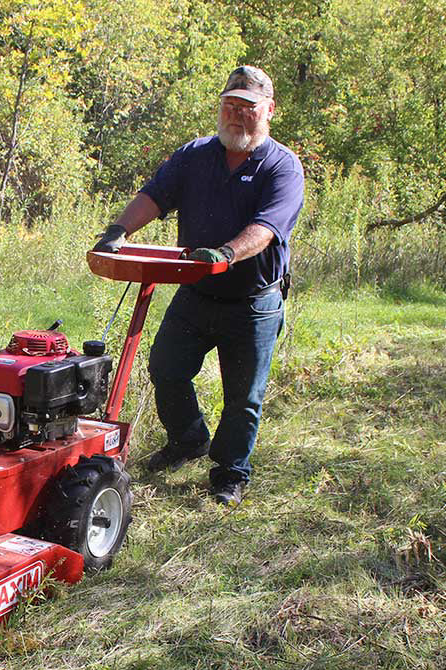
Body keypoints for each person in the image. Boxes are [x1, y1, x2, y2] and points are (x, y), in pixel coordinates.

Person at [93, 66, 304, 505]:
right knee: (166, 368)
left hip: (253, 302)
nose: (237, 114)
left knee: (242, 397)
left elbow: (267, 228)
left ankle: (230, 473)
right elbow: (156, 195)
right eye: (230, 105)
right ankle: (188, 440)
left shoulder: (282, 167)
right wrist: (118, 231)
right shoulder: (195, 155)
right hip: (195, 291)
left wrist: (227, 253)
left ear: (269, 110)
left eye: (248, 107)